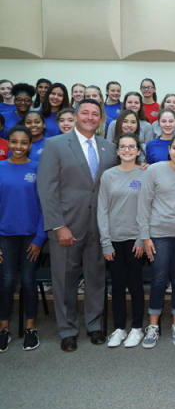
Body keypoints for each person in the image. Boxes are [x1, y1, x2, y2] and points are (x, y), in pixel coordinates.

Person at [37, 99, 118, 352]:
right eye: (85, 113)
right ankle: (68, 330)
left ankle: (94, 326)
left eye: (95, 114)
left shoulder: (109, 147)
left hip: (99, 227)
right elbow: (46, 188)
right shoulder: (55, 145)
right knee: (64, 280)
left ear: (100, 118)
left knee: (96, 279)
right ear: (75, 115)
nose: (90, 117)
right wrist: (57, 225)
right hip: (66, 226)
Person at [138, 134, 175, 348]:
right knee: (159, 278)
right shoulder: (153, 170)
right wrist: (145, 237)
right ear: (169, 149)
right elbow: (143, 204)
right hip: (159, 233)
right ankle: (153, 325)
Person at [0, 126, 47, 352]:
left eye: (23, 142)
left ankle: (30, 328)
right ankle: (3, 329)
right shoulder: (0, 168)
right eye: (14, 142)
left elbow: (45, 206)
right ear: (8, 142)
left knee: (28, 281)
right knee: (7, 281)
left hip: (31, 236)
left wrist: (39, 239)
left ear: (30, 145)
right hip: (5, 237)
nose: (18, 146)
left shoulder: (38, 168)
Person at [97, 133, 145, 348]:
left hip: (136, 239)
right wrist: (105, 241)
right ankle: (119, 328)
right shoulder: (108, 176)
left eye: (131, 146)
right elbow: (102, 210)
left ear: (138, 151)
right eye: (123, 147)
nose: (127, 150)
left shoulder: (146, 174)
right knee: (117, 285)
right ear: (117, 151)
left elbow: (149, 208)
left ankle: (137, 328)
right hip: (114, 239)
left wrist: (142, 238)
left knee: (135, 284)